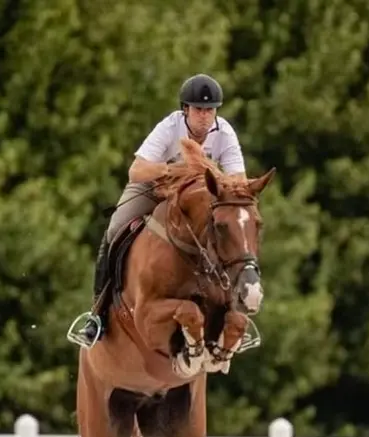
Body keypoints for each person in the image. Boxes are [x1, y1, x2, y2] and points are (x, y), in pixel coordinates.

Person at [67, 73, 248, 349]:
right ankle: (97, 314)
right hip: (155, 188)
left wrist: (215, 180)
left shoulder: (225, 133)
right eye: (198, 109)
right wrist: (177, 170)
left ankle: (232, 311)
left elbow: (239, 182)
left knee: (234, 230)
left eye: (210, 110)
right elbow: (136, 171)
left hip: (199, 196)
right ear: (185, 109)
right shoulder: (169, 127)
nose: (204, 116)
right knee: (116, 226)